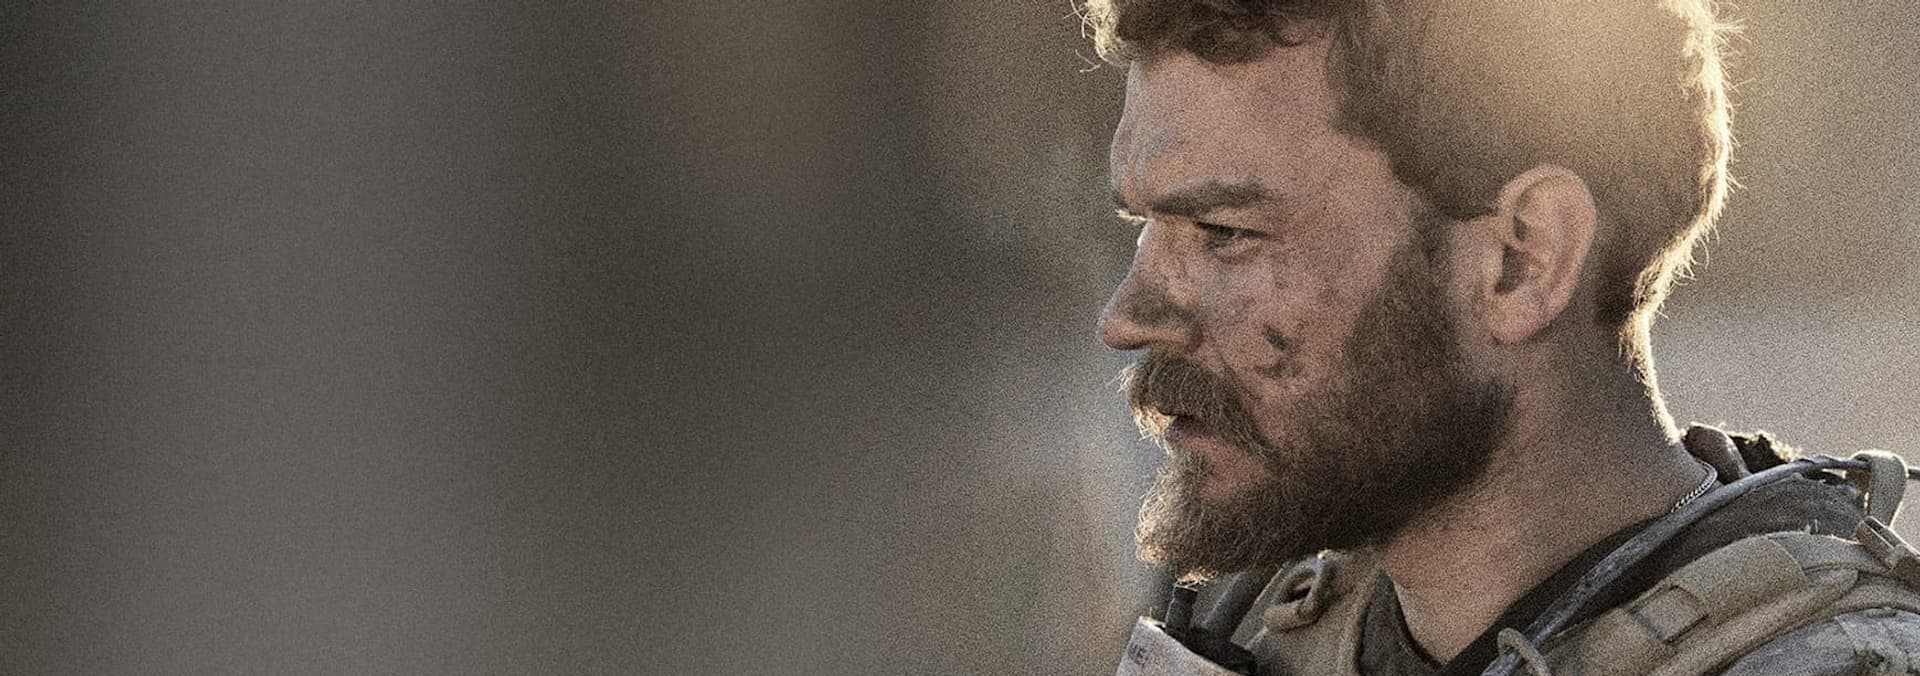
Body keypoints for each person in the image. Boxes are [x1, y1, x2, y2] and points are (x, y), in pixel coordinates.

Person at [1085, 1, 1920, 674]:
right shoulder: (1253, 622)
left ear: (1524, 260)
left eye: (1223, 232)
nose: (1127, 317)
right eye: (1144, 227)